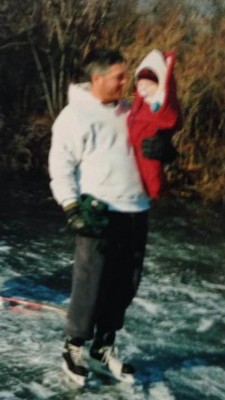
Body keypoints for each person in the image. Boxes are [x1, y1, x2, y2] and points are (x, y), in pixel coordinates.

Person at [48, 47, 172, 386]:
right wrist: (71, 208)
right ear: (98, 78)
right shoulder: (74, 117)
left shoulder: (130, 110)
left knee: (124, 285)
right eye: (119, 76)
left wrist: (166, 150)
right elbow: (60, 168)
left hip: (136, 210)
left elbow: (155, 134)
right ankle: (73, 347)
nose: (125, 82)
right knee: (90, 283)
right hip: (99, 212)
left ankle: (104, 345)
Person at [128, 49, 182, 200]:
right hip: (122, 182)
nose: (144, 88)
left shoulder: (157, 105)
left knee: (152, 175)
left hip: (145, 153)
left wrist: (166, 142)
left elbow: (170, 114)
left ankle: (158, 196)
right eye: (141, 83)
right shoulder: (134, 106)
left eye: (149, 84)